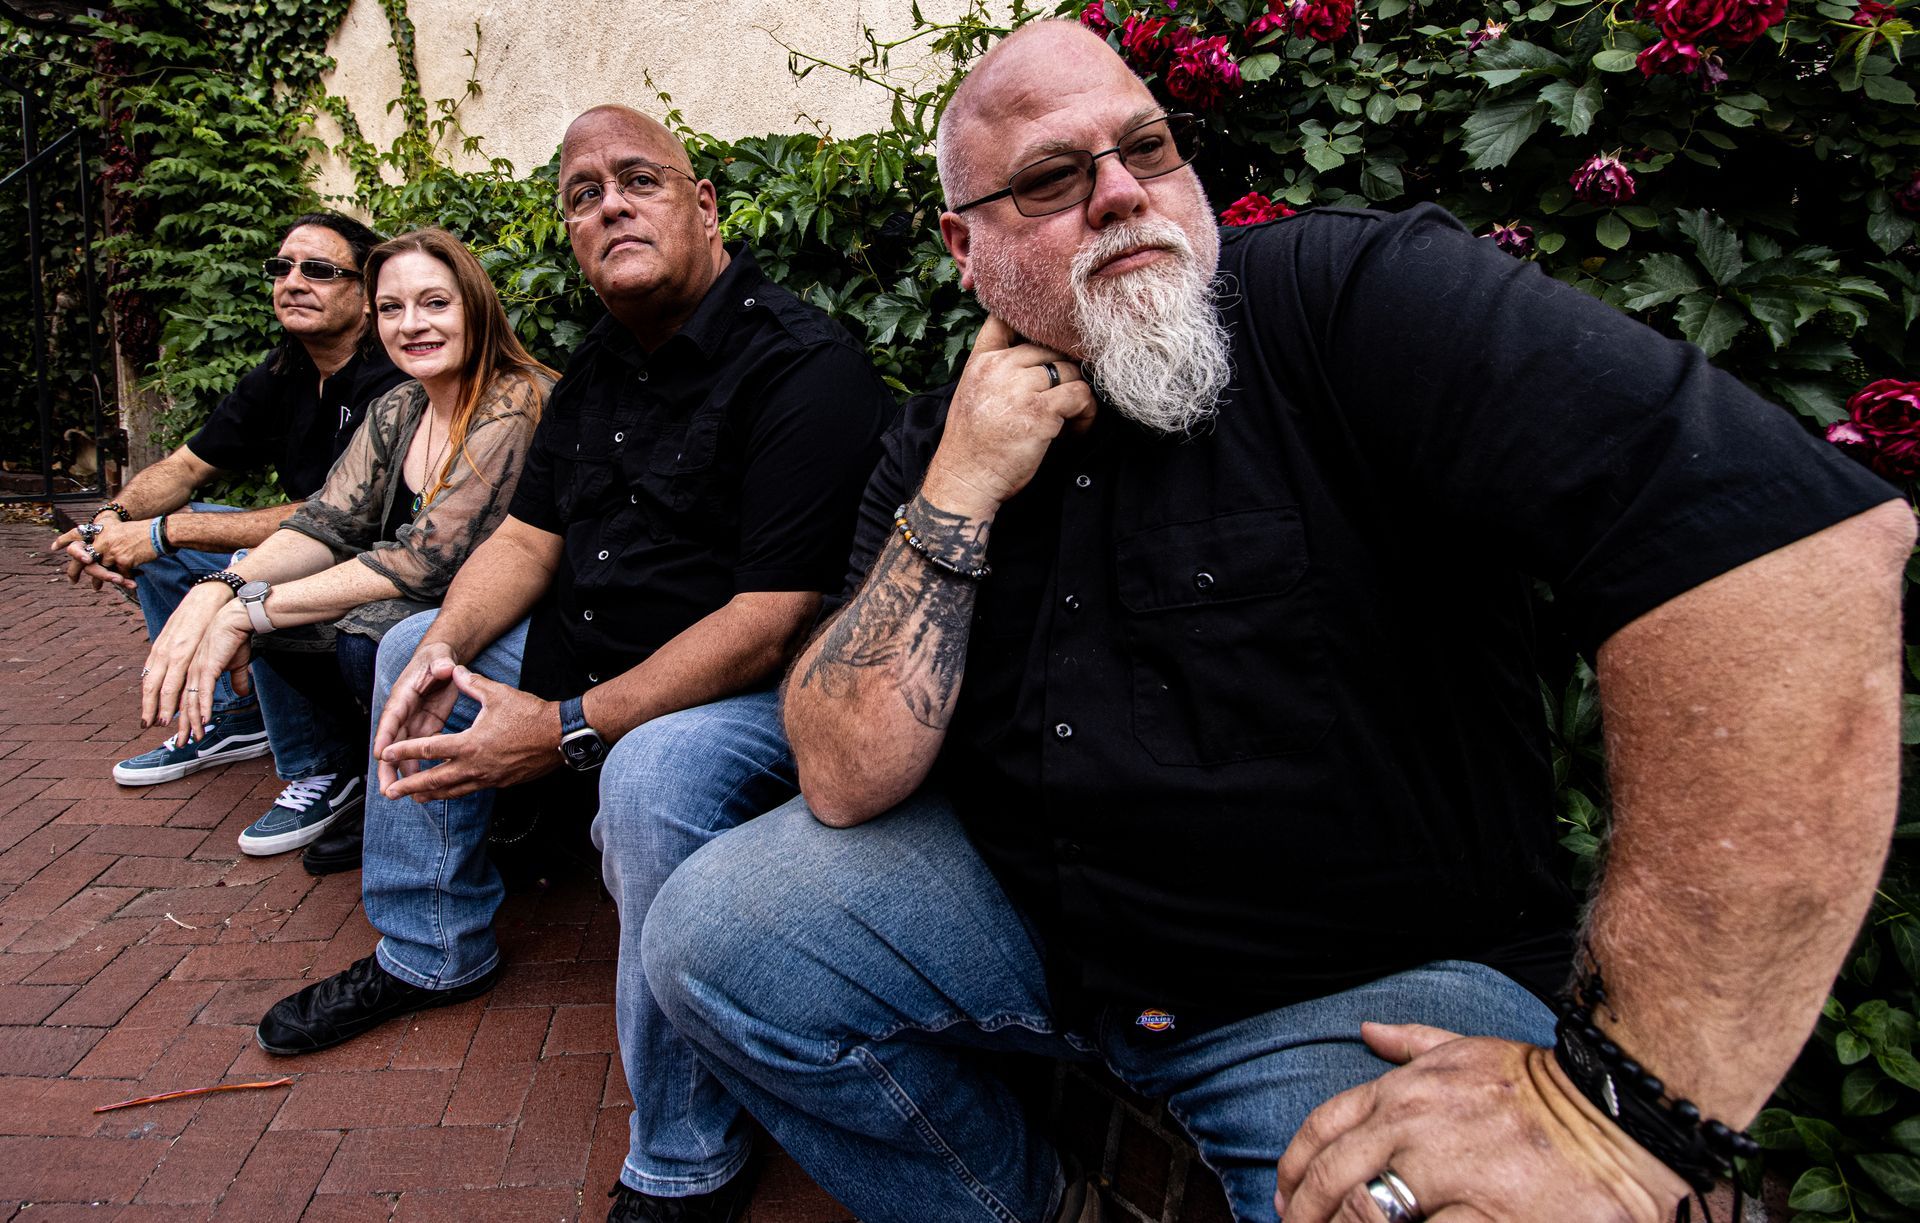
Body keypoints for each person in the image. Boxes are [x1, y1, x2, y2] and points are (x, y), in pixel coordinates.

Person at [636, 20, 1913, 1223]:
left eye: (1146, 148)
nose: (1123, 191)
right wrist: (962, 488)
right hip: (1040, 922)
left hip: (1353, 989)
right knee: (715, 933)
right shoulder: (931, 440)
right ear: (963, 251)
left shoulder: (1352, 298)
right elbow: (848, 773)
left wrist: (1621, 1111)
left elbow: (1781, 550)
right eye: (1048, 179)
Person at [251, 106, 893, 1223]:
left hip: (753, 690)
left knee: (652, 778)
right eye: (583, 193)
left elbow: (770, 618)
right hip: (600, 644)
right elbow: (525, 539)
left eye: (638, 179)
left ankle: (688, 1151)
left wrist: (562, 728)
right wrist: (446, 643)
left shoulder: (804, 367)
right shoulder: (600, 364)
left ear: (702, 206)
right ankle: (431, 947)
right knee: (412, 644)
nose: (609, 204)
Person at [138, 227, 554, 869]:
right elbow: (323, 523)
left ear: (476, 305)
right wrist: (220, 590)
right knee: (289, 626)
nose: (411, 325)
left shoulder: (514, 401)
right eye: (392, 308)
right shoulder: (401, 406)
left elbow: (426, 560)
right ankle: (366, 771)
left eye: (435, 304)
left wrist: (247, 607)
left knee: (367, 636)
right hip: (428, 601)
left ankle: (503, 800)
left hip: (525, 617)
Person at [52, 213, 408, 811]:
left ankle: (325, 767)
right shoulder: (286, 371)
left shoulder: (390, 379)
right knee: (172, 539)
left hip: (371, 553)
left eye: (319, 270)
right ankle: (236, 712)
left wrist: (166, 531)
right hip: (312, 538)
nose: (294, 282)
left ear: (368, 297)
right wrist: (110, 519)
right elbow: (187, 467)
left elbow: (334, 516)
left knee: (229, 555)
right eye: (283, 267)